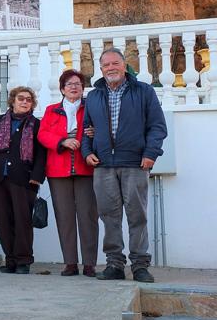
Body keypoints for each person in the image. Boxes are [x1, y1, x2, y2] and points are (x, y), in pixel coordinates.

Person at [82, 48, 167, 283]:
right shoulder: (94, 96)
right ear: (100, 69)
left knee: (136, 216)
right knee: (109, 217)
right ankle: (114, 265)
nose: (111, 68)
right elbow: (86, 130)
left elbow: (158, 126)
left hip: (135, 164)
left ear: (124, 64)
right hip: (103, 166)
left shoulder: (143, 91)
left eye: (115, 63)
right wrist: (87, 152)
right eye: (106, 64)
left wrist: (151, 153)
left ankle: (140, 266)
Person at [0, 86, 46, 275]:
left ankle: (23, 260)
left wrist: (37, 177)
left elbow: (41, 154)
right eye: (21, 98)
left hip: (24, 179)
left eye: (29, 100)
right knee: (4, 220)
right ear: (13, 101)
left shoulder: (36, 124)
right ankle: (11, 260)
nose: (24, 102)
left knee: (22, 220)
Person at [37, 70, 98, 277]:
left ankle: (89, 263)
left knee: (88, 217)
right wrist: (62, 141)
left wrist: (94, 132)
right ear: (62, 89)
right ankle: (70, 262)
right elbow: (43, 134)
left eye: (78, 84)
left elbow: (101, 128)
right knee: (64, 217)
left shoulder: (91, 107)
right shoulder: (51, 110)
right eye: (69, 84)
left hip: (85, 168)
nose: (74, 87)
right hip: (58, 170)